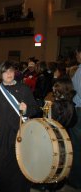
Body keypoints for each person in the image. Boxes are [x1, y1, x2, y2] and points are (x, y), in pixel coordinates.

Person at [0, 61, 39, 192]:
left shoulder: (24, 89)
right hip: (2, 135)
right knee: (2, 167)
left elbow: (35, 108)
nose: (9, 74)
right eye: (5, 71)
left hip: (21, 135)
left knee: (20, 167)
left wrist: (27, 109)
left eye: (11, 71)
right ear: (0, 74)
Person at [68, 46, 81, 189]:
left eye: (77, 53)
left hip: (80, 111)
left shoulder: (80, 71)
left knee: (76, 147)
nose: (76, 56)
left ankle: (76, 180)